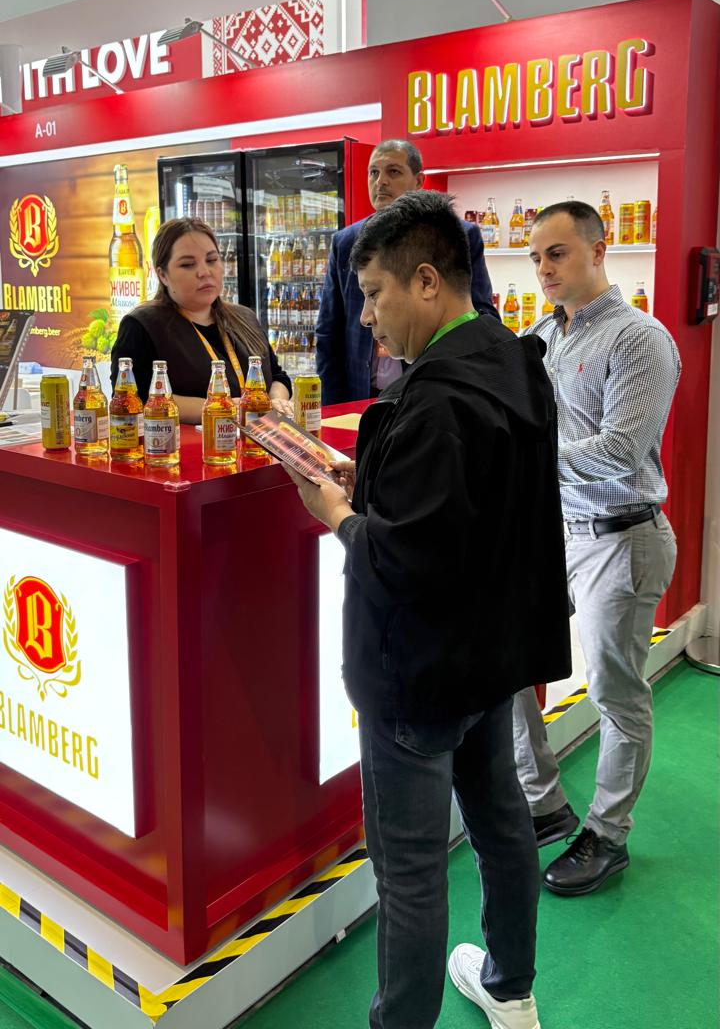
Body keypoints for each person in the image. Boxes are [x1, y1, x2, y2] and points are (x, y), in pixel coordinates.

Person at [284, 191, 570, 1029]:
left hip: (419, 671)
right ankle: (511, 986)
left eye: (375, 294)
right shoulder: (512, 358)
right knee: (500, 822)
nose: (366, 317)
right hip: (491, 654)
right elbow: (469, 510)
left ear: (427, 281)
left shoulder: (439, 399)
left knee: (409, 871)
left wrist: (336, 512)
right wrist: (371, 479)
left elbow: (402, 558)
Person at [513, 200, 680, 897]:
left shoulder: (640, 338)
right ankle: (542, 802)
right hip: (555, 532)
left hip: (623, 536)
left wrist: (524, 460)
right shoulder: (537, 337)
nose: (544, 269)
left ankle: (607, 835)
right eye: (536, 258)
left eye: (557, 253)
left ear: (598, 249)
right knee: (510, 662)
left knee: (615, 692)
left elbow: (620, 451)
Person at [315, 139, 498, 404]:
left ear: (419, 180)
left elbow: (479, 314)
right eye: (374, 173)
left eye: (393, 172)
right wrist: (333, 406)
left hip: (431, 389)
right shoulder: (345, 242)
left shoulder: (456, 235)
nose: (381, 182)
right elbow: (329, 331)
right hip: (361, 393)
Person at [110, 216, 292, 420]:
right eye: (188, 264)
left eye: (212, 260)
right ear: (162, 275)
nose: (204, 272)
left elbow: (278, 376)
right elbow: (135, 398)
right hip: (184, 439)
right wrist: (222, 408)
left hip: (259, 435)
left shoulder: (245, 317)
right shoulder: (142, 326)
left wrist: (277, 401)